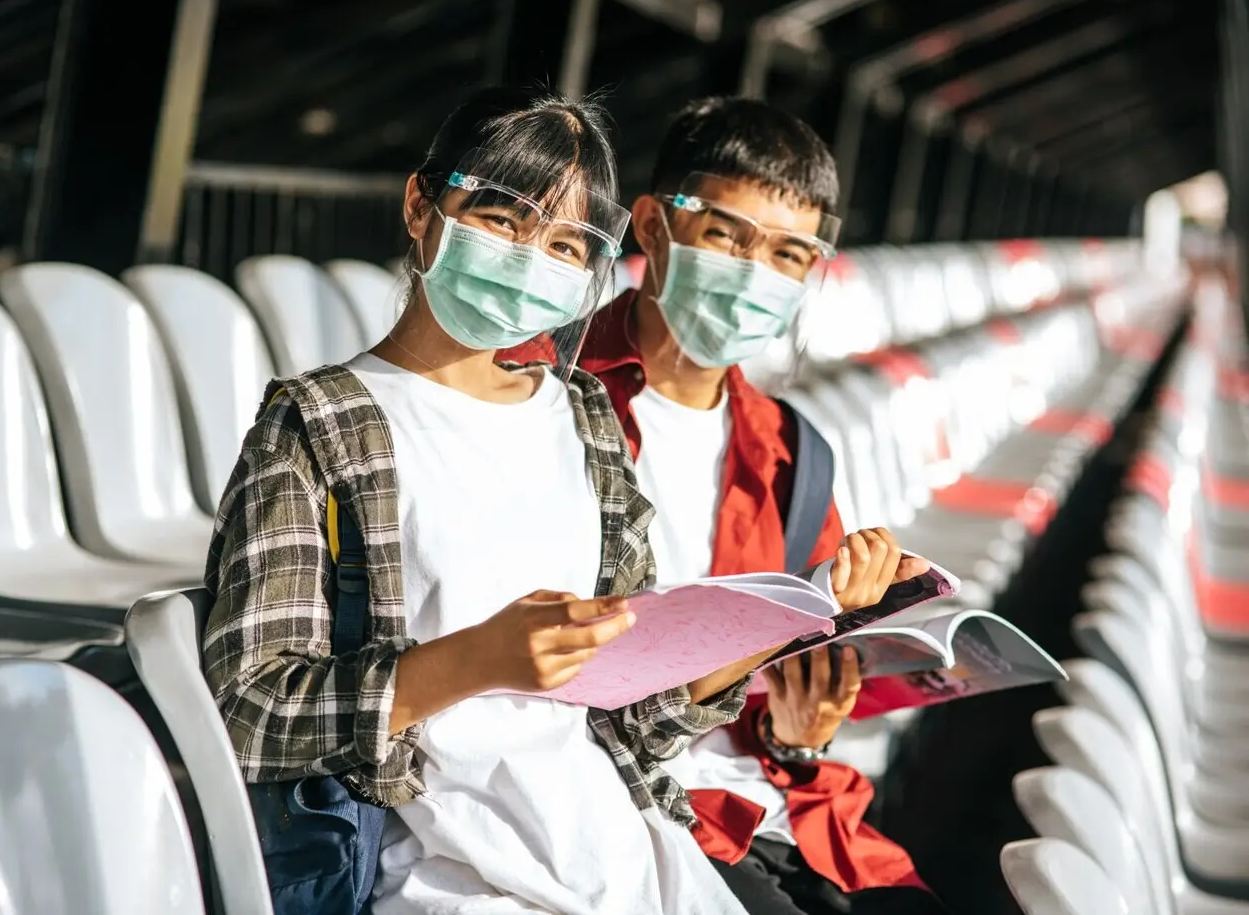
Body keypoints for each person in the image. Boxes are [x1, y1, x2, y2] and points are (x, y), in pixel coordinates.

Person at [203, 86, 790, 915]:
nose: (529, 260)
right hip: (446, 881)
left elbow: (628, 723)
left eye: (562, 244)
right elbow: (249, 712)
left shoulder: (583, 415)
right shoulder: (320, 423)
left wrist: (763, 635)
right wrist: (474, 662)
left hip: (625, 860)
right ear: (421, 203)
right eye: (501, 220)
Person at [507, 97, 951, 915]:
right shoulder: (529, 393)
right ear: (650, 226)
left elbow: (778, 688)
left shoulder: (791, 449)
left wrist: (798, 730)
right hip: (611, 809)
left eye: (789, 253)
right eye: (725, 235)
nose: (755, 273)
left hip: (770, 805)